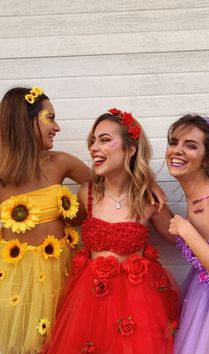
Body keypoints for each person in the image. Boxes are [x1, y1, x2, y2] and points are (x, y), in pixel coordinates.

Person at [43, 108, 179, 354]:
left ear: (131, 148)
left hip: (138, 304)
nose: (94, 147)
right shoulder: (88, 194)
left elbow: (179, 237)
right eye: (92, 141)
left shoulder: (148, 200)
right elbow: (56, 223)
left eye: (104, 140)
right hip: (89, 303)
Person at [0, 86, 92, 354]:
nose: (57, 127)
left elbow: (110, 189)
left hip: (60, 271)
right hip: (12, 277)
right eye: (49, 118)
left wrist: (146, 185)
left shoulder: (59, 163)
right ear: (25, 121)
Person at [166, 114, 209, 354]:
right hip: (201, 298)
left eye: (191, 145)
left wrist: (187, 231)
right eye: (174, 142)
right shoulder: (193, 194)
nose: (177, 150)